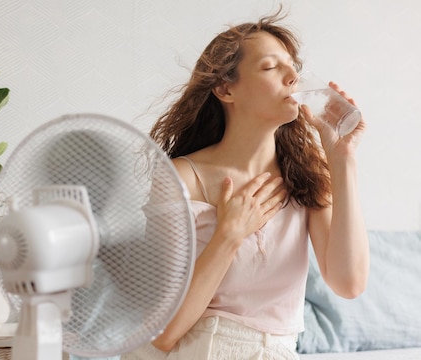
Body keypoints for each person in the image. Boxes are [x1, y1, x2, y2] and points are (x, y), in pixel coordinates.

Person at [122, 8, 370, 360]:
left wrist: (342, 158)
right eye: (271, 67)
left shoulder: (307, 177)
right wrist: (229, 233)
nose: (292, 77)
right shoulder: (181, 177)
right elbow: (164, 334)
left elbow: (350, 283)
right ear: (225, 89)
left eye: (292, 66)